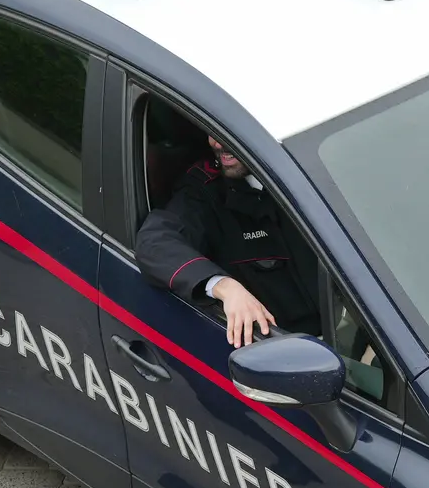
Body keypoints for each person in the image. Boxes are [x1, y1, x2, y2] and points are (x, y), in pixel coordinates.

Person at [137, 133, 321, 348]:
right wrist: (225, 287)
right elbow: (154, 242)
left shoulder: (313, 166)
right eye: (210, 132)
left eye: (227, 133)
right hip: (285, 352)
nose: (216, 142)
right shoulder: (204, 192)